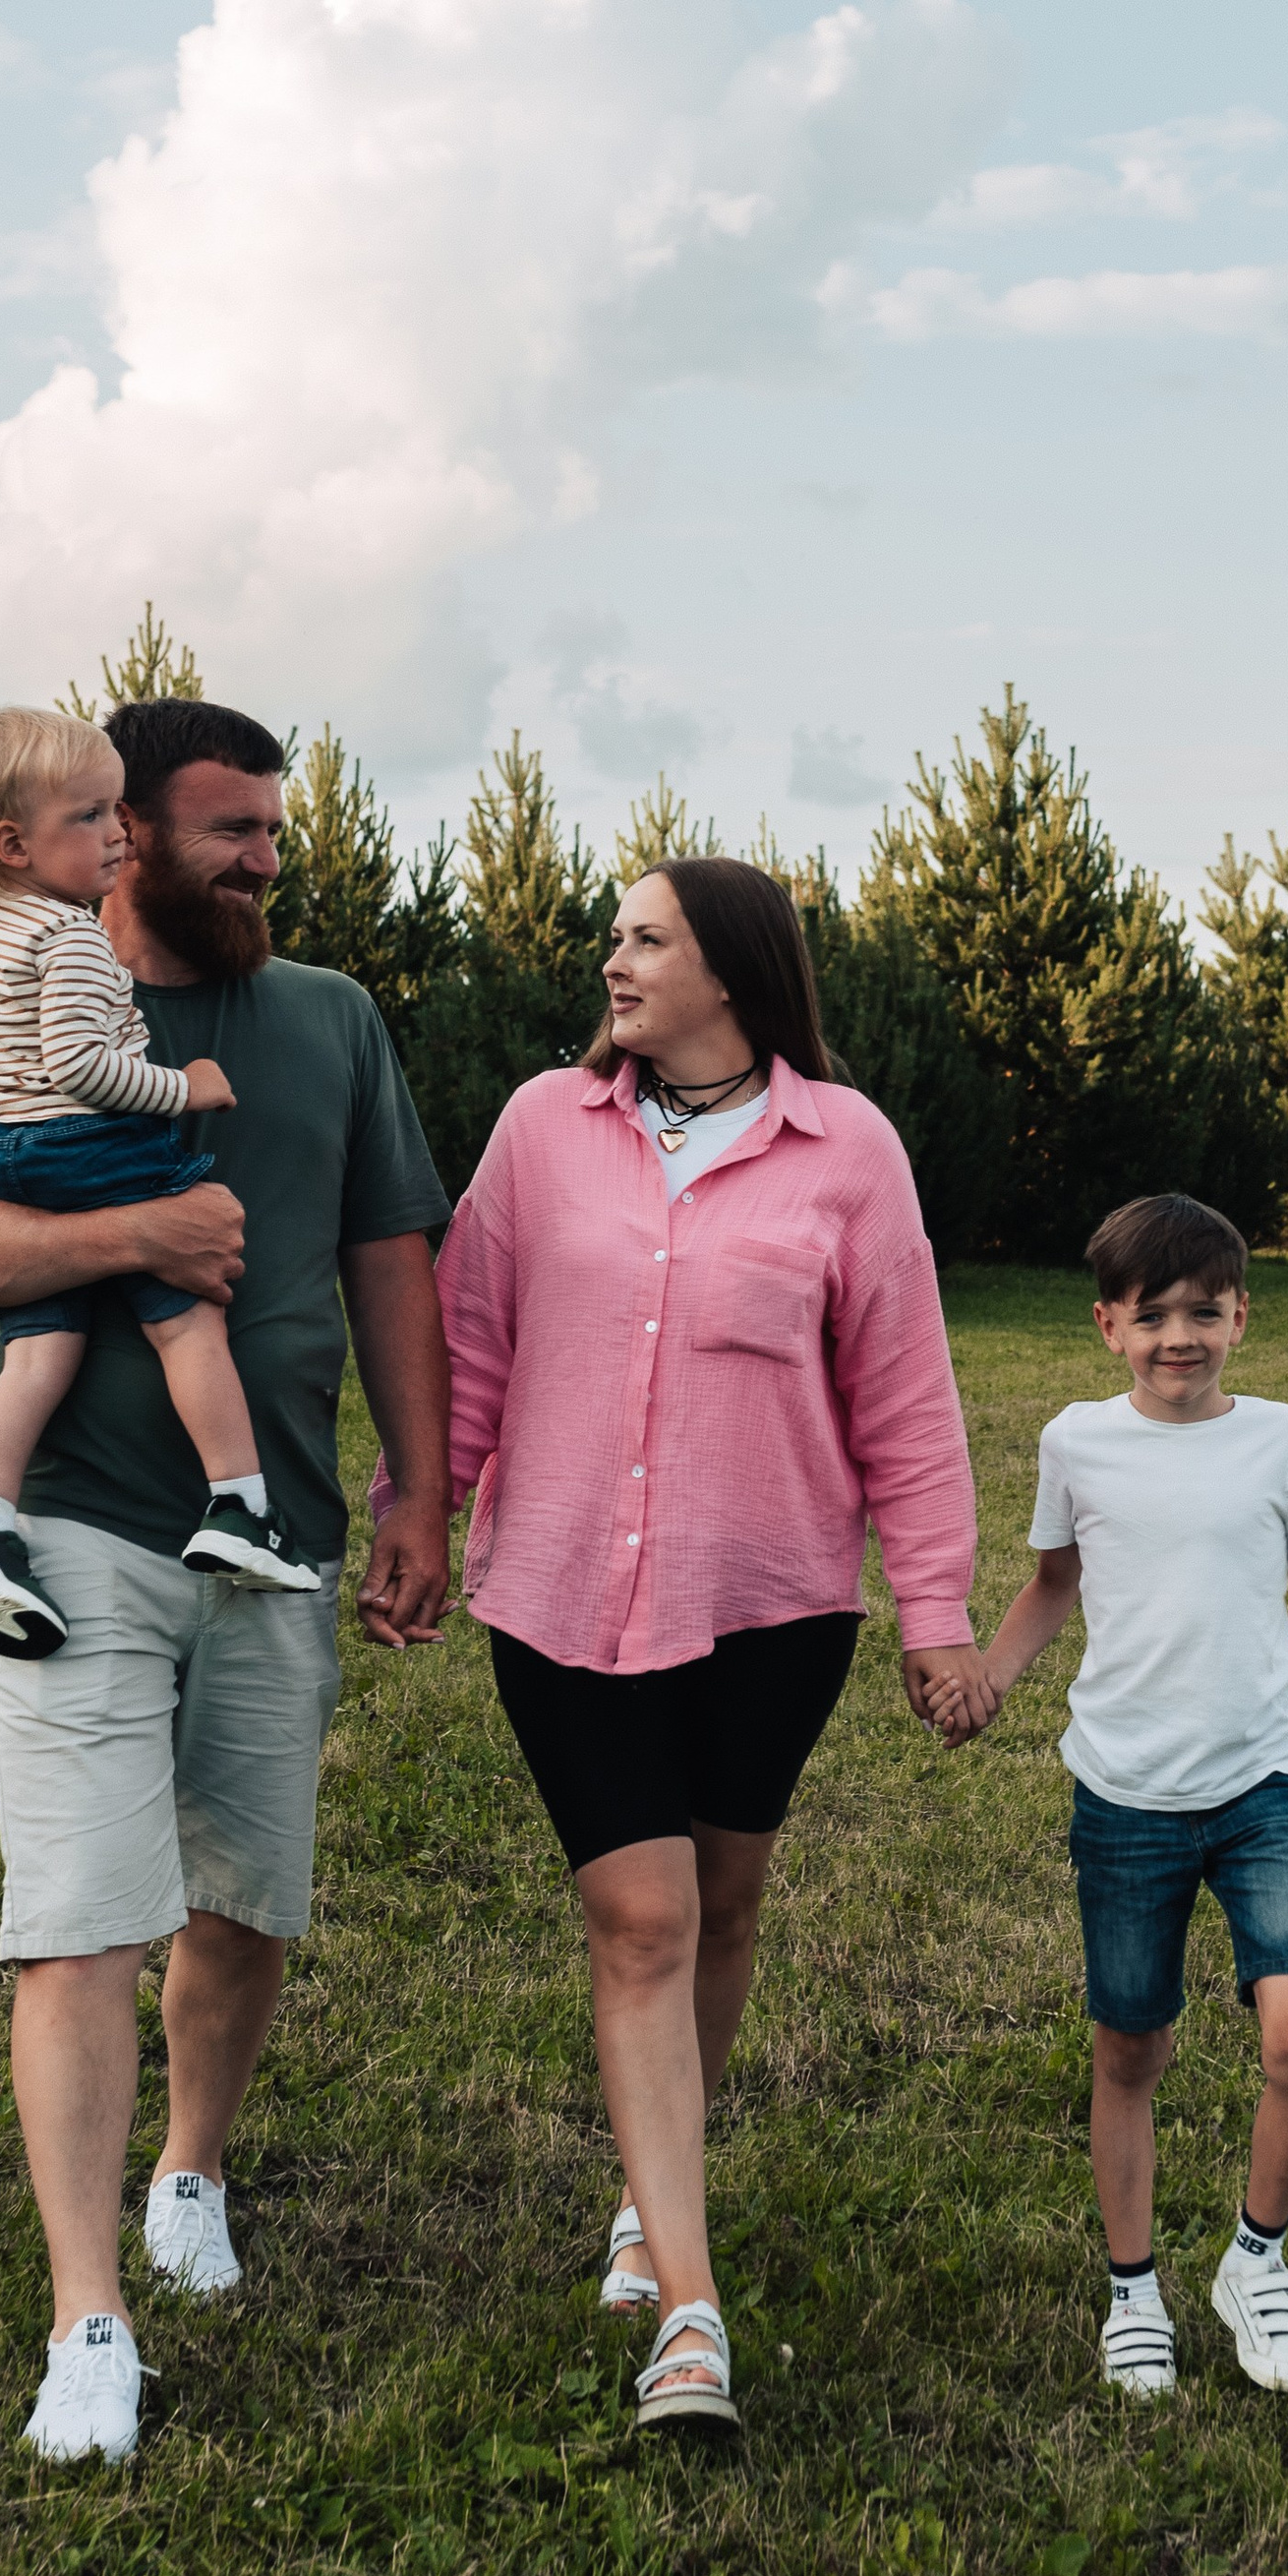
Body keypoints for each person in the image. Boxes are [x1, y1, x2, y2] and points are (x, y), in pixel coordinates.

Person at [0, 695, 452, 2467]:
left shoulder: (331, 1021)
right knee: (80, 1925)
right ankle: (87, 2321)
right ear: (124, 837)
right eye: (230, 832)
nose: (265, 861)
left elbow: (390, 1259)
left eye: (273, 830)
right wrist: (135, 1237)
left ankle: (189, 2172)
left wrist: (426, 1486)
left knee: (246, 1902)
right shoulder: (30, 996)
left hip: (272, 1539)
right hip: (69, 1527)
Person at [416, 855, 985, 2436]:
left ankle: (643, 2195)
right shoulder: (543, 1128)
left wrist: (933, 1613)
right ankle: (688, 2307)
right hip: (560, 1595)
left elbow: (907, 1399)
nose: (614, 962)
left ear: (730, 971)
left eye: (645, 939)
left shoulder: (847, 1149)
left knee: (724, 1909)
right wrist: (420, 1511)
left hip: (773, 1603)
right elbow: (474, 1339)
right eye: (615, 934)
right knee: (644, 1919)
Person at [936, 1190, 1288, 2402]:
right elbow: (1053, 1583)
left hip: (1260, 1786)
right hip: (1123, 1799)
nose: (1182, 1335)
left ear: (1241, 1319)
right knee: (1133, 2048)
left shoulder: (1281, 1438)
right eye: (1154, 1313)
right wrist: (993, 1680)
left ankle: (1256, 2262)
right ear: (1106, 1324)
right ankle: (1132, 2290)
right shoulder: (1076, 1442)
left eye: (1205, 1312)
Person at [0, 704, 307, 1656]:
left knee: (37, 1356)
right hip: (86, 1149)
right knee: (186, 1317)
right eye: (91, 818)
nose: (113, 837)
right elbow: (84, 1066)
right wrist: (185, 1087)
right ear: (14, 842)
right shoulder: (72, 938)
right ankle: (239, 1505)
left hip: (0, 1161)